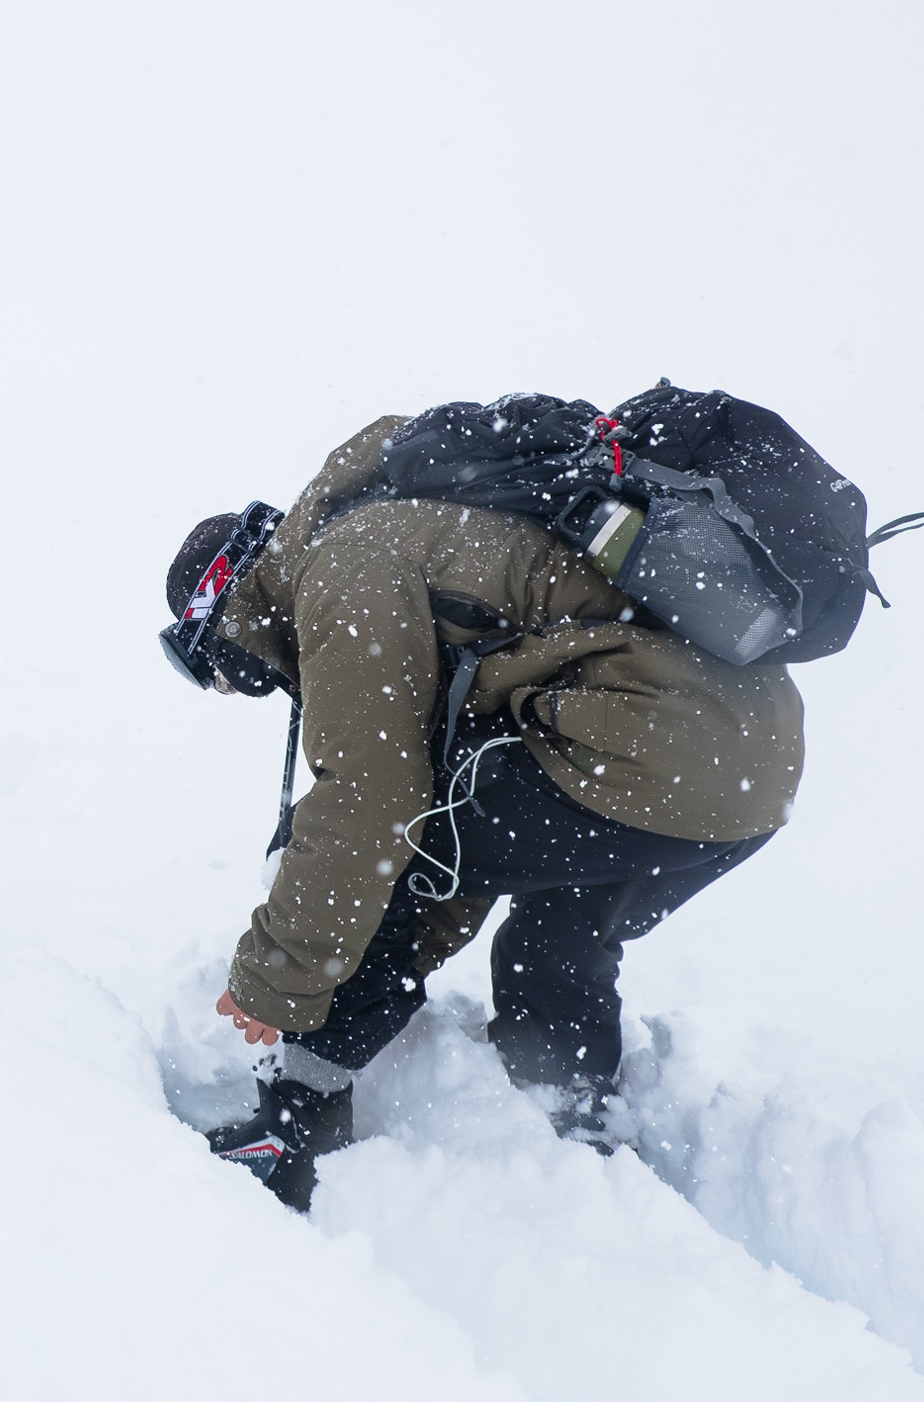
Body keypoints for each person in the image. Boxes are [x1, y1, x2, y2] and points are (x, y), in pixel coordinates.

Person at [173, 417, 802, 1209]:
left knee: (391, 845)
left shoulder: (342, 564)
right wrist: (400, 956)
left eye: (216, 671)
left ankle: (296, 1129)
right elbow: (474, 809)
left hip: (647, 744)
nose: (235, 687)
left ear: (224, 613)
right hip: (749, 765)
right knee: (554, 937)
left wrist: (282, 979)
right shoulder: (415, 523)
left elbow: (375, 807)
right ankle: (573, 1135)